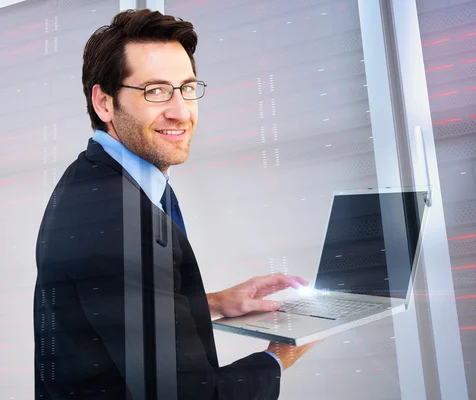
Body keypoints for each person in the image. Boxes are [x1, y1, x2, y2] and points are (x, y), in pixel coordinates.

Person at [33, 9, 320, 399]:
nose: (180, 110)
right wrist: (281, 354)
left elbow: (115, 306)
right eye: (155, 91)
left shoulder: (99, 179)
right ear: (103, 103)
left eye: (186, 87)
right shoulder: (117, 217)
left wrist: (213, 302)